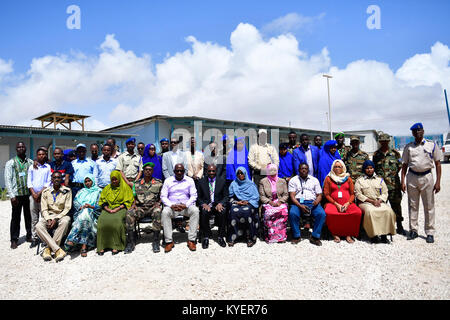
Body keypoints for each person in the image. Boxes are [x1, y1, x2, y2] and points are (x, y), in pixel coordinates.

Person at [401, 123, 442, 243]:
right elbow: (404, 165)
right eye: (415, 131)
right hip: (412, 177)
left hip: (427, 177)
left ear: (423, 131)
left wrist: (438, 181)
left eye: (419, 130)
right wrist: (403, 181)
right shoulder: (409, 147)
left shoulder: (431, 145)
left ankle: (430, 232)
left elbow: (438, 164)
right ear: (413, 133)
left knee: (429, 205)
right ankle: (413, 230)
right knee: (413, 205)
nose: (417, 132)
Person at [124, 162, 163, 254]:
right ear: (143, 171)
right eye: (146, 170)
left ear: (152, 171)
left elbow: (163, 196)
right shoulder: (136, 184)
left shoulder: (158, 183)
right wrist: (133, 204)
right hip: (140, 208)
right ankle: (131, 242)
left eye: (150, 170)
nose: (148, 172)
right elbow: (133, 196)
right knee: (129, 213)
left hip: (152, 207)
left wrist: (159, 203)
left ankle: (156, 241)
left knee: (158, 211)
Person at [355, 160, 396, 244]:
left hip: (379, 201)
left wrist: (379, 200)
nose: (369, 170)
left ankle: (384, 234)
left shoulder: (380, 180)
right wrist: (371, 201)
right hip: (365, 203)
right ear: (364, 169)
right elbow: (358, 194)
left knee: (388, 211)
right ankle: (373, 235)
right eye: (367, 168)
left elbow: (385, 192)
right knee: (371, 212)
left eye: (371, 168)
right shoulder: (359, 180)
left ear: (374, 169)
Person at [161, 164, 199, 252]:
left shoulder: (189, 180)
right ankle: (169, 241)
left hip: (185, 207)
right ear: (174, 171)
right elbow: (163, 196)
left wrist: (186, 204)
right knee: (165, 212)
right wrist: (171, 205)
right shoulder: (168, 181)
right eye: (177, 171)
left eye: (181, 171)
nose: (179, 172)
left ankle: (191, 240)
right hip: (172, 207)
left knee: (195, 210)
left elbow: (194, 196)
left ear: (184, 171)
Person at [323, 160, 362, 243]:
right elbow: (326, 194)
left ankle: (349, 234)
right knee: (329, 212)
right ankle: (334, 233)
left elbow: (352, 194)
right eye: (335, 167)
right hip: (333, 203)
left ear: (343, 168)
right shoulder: (328, 178)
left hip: (347, 203)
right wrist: (336, 204)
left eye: (339, 167)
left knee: (357, 212)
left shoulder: (348, 178)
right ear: (332, 168)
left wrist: (348, 203)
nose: (337, 168)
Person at [35, 171, 72, 262]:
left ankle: (48, 249)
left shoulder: (67, 191)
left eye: (58, 178)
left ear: (61, 179)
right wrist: (48, 219)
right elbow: (44, 209)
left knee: (65, 221)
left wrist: (56, 219)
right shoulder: (46, 192)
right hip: (49, 216)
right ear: (51, 179)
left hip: (61, 215)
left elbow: (67, 208)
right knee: (38, 226)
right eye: (54, 178)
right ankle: (58, 250)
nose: (56, 179)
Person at [373, 133, 405, 235]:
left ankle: (399, 226)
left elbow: (400, 166)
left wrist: (392, 176)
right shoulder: (376, 155)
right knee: (381, 207)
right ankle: (384, 228)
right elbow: (374, 168)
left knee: (396, 206)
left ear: (388, 141)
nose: (383, 143)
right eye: (382, 141)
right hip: (381, 187)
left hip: (394, 185)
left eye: (385, 141)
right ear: (379, 142)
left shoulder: (396, 154)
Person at [96, 171, 135, 255]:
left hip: (121, 208)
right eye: (112, 180)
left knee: (116, 221)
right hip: (108, 208)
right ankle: (102, 245)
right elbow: (102, 201)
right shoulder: (107, 188)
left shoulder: (125, 188)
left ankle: (116, 245)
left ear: (119, 179)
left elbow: (128, 201)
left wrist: (116, 209)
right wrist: (108, 209)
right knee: (102, 221)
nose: (114, 181)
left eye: (115, 179)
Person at [288, 163, 326, 246]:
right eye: (302, 168)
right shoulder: (293, 180)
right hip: (298, 203)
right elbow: (292, 196)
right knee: (293, 213)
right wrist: (300, 206)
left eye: (305, 168)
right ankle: (296, 236)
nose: (304, 170)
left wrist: (316, 202)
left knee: (321, 214)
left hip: (312, 203)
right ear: (298, 170)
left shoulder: (314, 180)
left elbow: (319, 194)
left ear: (308, 170)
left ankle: (315, 237)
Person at [5, 142, 34, 249]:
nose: (21, 148)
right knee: (16, 218)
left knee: (29, 216)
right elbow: (8, 180)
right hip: (16, 196)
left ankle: (29, 235)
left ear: (25, 148)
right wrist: (12, 195)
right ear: (16, 149)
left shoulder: (30, 162)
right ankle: (14, 239)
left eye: (22, 146)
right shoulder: (11, 163)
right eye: (19, 147)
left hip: (28, 194)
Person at [64, 174, 101, 257]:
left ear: (93, 181)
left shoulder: (98, 191)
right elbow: (75, 202)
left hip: (94, 213)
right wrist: (81, 207)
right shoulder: (81, 191)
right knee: (85, 215)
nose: (87, 183)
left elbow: (100, 205)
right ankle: (83, 247)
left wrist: (89, 206)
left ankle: (73, 239)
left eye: (89, 181)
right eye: (86, 181)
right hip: (80, 212)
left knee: (86, 214)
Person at [197, 164, 228, 249]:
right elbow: (198, 197)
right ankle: (206, 237)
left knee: (223, 211)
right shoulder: (201, 182)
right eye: (209, 171)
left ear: (216, 171)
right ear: (207, 171)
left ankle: (220, 236)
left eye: (213, 171)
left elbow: (226, 196)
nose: (211, 173)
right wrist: (203, 204)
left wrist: (221, 203)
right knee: (204, 212)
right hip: (207, 205)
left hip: (217, 204)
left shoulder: (222, 181)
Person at [228, 167, 260, 247]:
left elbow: (256, 197)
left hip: (249, 203)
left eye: (241, 173)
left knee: (247, 211)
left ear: (245, 174)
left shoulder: (251, 184)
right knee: (233, 211)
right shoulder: (234, 184)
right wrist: (236, 202)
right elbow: (230, 197)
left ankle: (249, 237)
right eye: (238, 173)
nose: (240, 175)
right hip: (237, 202)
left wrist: (248, 202)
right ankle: (233, 237)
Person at [27, 147, 52, 248]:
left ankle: (44, 238)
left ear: (45, 155)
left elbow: (48, 182)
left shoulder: (47, 167)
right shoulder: (32, 167)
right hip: (33, 196)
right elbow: (29, 181)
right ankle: (35, 238)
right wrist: (34, 194)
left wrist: (40, 194)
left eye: (43, 154)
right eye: (39, 154)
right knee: (34, 218)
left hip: (44, 196)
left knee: (44, 217)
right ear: (37, 156)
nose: (41, 156)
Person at [259, 164, 289, 243]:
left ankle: (281, 236)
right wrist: (270, 202)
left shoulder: (282, 181)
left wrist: (280, 201)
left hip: (280, 202)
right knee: (269, 212)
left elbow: (286, 195)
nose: (272, 173)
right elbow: (262, 196)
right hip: (269, 202)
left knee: (284, 211)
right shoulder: (263, 181)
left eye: (274, 171)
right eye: (270, 171)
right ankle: (270, 236)